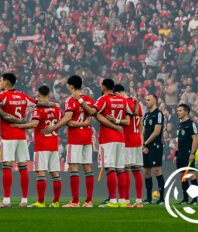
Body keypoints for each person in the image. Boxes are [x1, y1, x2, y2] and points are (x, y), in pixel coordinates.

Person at [43, 75, 96, 207]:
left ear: (71, 86)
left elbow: (68, 119)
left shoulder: (70, 100)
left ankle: (75, 201)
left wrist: (53, 128)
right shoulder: (89, 100)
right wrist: (84, 123)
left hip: (76, 138)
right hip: (87, 136)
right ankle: (89, 201)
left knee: (73, 168)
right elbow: (92, 116)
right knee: (88, 168)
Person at [10, 86, 63, 208]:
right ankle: (55, 202)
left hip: (42, 145)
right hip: (54, 144)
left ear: (38, 94)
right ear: (49, 94)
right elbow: (63, 120)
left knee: (41, 173)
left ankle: (41, 202)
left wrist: (20, 126)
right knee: (55, 174)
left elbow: (35, 123)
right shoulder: (56, 108)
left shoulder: (38, 108)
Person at [0, 72, 36, 208]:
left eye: (1, 80)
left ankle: (6, 200)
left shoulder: (2, 96)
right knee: (23, 167)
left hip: (8, 136)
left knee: (7, 166)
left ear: (6, 82)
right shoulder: (22, 96)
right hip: (21, 136)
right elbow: (36, 104)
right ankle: (24, 201)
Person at [79, 78, 128, 207]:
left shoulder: (103, 99)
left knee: (110, 168)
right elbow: (128, 117)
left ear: (104, 87)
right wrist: (118, 124)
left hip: (108, 138)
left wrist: (80, 101)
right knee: (120, 169)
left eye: (101, 85)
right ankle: (122, 200)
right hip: (121, 138)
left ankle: (112, 200)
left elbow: (92, 112)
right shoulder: (122, 100)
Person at [114, 84, 144, 207]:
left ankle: (126, 200)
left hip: (128, 141)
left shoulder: (125, 102)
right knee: (136, 171)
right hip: (137, 139)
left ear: (118, 93)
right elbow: (141, 123)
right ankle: (139, 201)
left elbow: (130, 116)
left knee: (124, 170)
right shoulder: (138, 104)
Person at [141, 94, 165, 204]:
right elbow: (143, 131)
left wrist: (145, 143)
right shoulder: (146, 115)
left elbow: (156, 132)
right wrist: (142, 145)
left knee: (157, 170)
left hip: (155, 146)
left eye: (149, 99)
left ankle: (162, 198)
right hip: (145, 146)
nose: (146, 101)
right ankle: (149, 198)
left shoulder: (158, 114)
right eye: (145, 100)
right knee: (146, 172)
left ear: (155, 101)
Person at [174, 103, 198, 205]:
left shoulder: (191, 124)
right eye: (177, 111)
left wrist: (192, 153)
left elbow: (195, 139)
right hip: (180, 153)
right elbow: (178, 141)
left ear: (186, 112)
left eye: (180, 111)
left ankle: (195, 200)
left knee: (191, 175)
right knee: (182, 176)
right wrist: (176, 154)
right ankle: (185, 199)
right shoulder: (180, 124)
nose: (178, 112)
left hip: (188, 153)